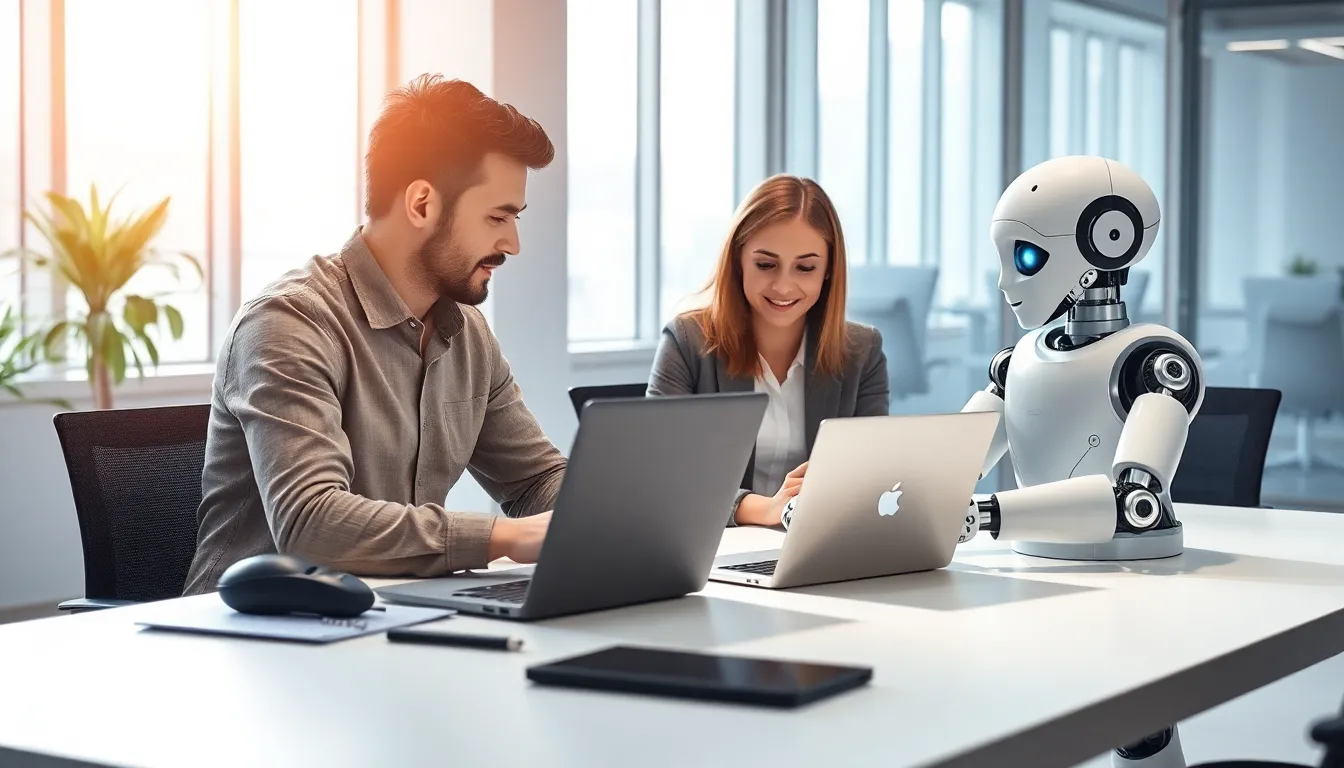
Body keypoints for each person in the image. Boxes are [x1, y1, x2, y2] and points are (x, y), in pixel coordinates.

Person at [182, 75, 566, 595]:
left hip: (395, 616)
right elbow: (311, 523)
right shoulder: (288, 323)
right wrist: (501, 537)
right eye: (498, 216)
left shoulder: (466, 334)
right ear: (423, 204)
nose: (512, 243)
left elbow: (535, 481)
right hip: (255, 638)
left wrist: (625, 510)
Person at [646, 174, 889, 528]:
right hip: (713, 548)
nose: (783, 286)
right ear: (738, 260)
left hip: (819, 544)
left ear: (827, 272)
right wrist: (762, 509)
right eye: (765, 265)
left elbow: (874, 472)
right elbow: (659, 474)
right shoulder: (687, 341)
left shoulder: (862, 351)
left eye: (805, 268)